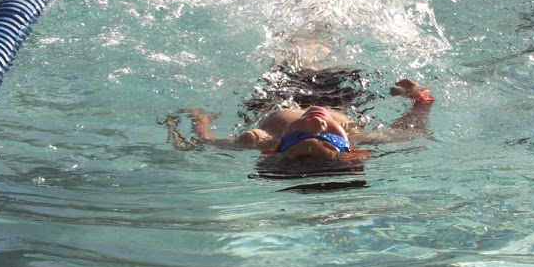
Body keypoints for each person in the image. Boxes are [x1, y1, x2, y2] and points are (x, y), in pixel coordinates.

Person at [166, 65, 436, 177]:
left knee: (290, 57)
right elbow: (410, 133)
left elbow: (207, 141)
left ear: (274, 150)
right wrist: (420, 101)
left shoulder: (260, 139)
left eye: (298, 136)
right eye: (328, 137)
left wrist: (199, 118)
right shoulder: (358, 138)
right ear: (351, 149)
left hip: (278, 93)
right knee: (330, 62)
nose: (315, 124)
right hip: (340, 98)